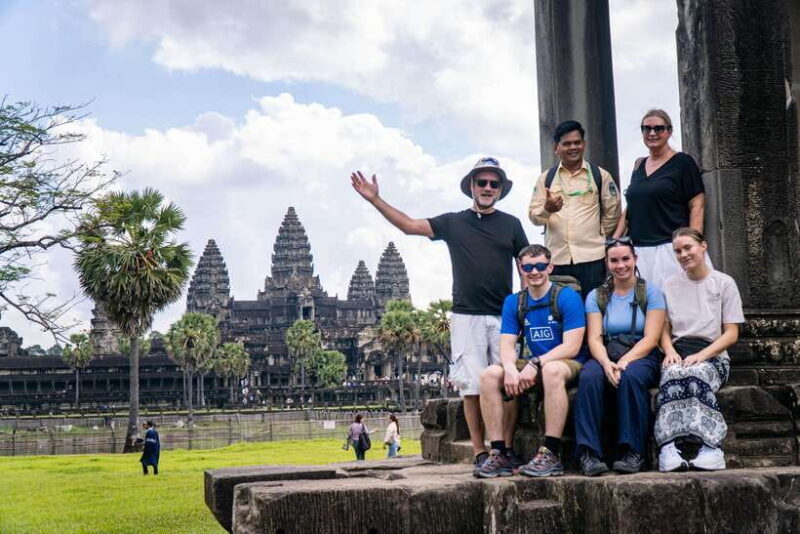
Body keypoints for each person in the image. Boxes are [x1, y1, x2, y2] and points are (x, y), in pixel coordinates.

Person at [351, 158, 529, 469]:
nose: (487, 188)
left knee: (508, 383)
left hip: (505, 314)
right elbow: (409, 226)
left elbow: (525, 265)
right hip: (465, 315)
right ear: (471, 187)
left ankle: (507, 449)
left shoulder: (511, 224)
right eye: (482, 182)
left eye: (494, 184)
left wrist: (527, 304)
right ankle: (480, 452)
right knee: (471, 387)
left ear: (501, 190)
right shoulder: (454, 222)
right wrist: (376, 200)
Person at [474, 244, 586, 478]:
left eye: (540, 266)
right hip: (533, 363)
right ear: (521, 269)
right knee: (490, 376)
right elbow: (506, 344)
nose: (534, 272)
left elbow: (572, 346)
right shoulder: (514, 302)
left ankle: (551, 452)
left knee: (552, 370)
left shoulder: (567, 297)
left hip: (567, 361)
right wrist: (509, 369)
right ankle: (499, 451)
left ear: (550, 267)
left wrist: (535, 363)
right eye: (528, 267)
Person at [573, 237, 666, 476]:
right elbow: (594, 338)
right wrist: (606, 364)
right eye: (614, 260)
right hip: (607, 351)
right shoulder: (597, 296)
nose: (621, 265)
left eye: (626, 259)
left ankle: (633, 451)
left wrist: (625, 361)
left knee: (632, 377)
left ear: (635, 259)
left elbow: (651, 338)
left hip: (641, 352)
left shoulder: (651, 293)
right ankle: (588, 453)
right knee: (589, 376)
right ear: (607, 263)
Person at [654, 228, 744, 471]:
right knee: (672, 375)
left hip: (712, 354)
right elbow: (663, 328)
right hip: (678, 350)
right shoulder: (669, 284)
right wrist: (669, 350)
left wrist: (701, 356)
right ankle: (669, 448)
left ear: (703, 246)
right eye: (678, 251)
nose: (683, 254)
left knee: (696, 375)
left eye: (688, 248)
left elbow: (732, 333)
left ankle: (710, 447)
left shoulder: (724, 283)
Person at [614, 109, 709, 288]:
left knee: (677, 310)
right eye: (646, 129)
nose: (652, 133)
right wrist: (615, 239)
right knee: (645, 311)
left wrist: (692, 245)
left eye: (659, 128)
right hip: (639, 250)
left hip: (670, 249)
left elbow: (697, 205)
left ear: (669, 132)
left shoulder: (683, 162)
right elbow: (632, 206)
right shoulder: (638, 165)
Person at [529, 120, 621, 299]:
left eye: (577, 142)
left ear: (584, 144)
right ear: (557, 147)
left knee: (594, 312)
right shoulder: (545, 179)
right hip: (557, 260)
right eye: (567, 143)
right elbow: (533, 217)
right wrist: (547, 209)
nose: (573, 147)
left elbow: (613, 212)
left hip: (593, 260)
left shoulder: (600, 175)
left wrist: (599, 236)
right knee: (561, 314)